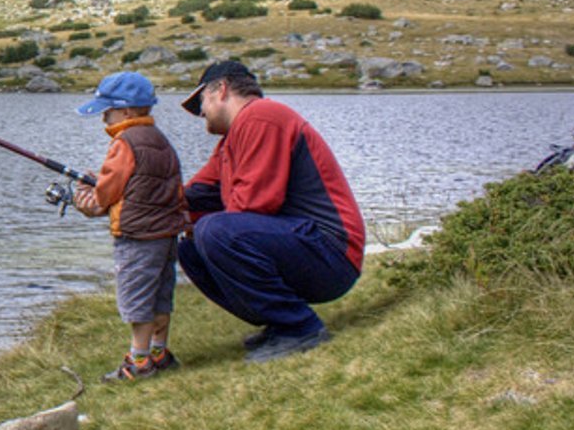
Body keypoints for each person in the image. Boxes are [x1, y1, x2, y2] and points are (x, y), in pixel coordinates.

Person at [177, 60, 365, 362]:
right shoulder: (230, 142)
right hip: (302, 246)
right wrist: (125, 201)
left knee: (212, 231)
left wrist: (199, 224)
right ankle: (281, 322)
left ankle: (301, 328)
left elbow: (254, 204)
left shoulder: (262, 117)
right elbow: (193, 195)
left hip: (333, 252)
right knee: (190, 249)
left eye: (201, 102)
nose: (201, 113)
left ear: (221, 90)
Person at [71, 71, 190, 381]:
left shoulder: (124, 142)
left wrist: (89, 200)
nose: (104, 120)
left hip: (137, 236)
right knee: (161, 295)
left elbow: (108, 192)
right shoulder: (160, 140)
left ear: (125, 111)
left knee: (135, 297)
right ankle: (159, 353)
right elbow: (159, 184)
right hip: (166, 234)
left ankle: (138, 363)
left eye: (107, 112)